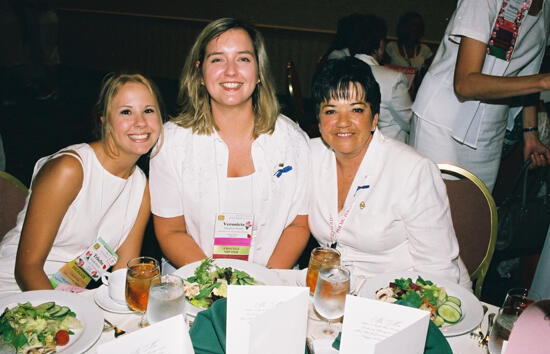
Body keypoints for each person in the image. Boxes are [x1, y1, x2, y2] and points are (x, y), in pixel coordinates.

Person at [149, 18, 310, 271]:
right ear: (200, 72)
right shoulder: (170, 143)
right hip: (195, 281)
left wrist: (263, 284)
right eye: (217, 59)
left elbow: (299, 224)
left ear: (258, 72)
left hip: (272, 280)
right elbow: (171, 231)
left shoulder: (293, 141)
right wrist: (214, 286)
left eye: (243, 59)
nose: (231, 71)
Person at [309, 57, 470, 287]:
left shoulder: (412, 172)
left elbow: (438, 270)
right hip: (340, 289)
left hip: (407, 290)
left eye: (356, 109)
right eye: (331, 111)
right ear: (319, 120)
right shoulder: (311, 156)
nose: (343, 122)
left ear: (374, 119)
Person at [0, 73, 163, 294]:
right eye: (126, 111)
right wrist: (64, 322)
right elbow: (27, 269)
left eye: (148, 110)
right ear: (105, 121)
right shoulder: (70, 169)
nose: (140, 122)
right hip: (16, 291)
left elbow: (123, 274)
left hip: (73, 297)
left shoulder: (140, 188)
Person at [410, 0, 550, 191]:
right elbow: (465, 83)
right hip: (443, 121)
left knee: (476, 214)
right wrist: (543, 82)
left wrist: (530, 133)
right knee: (434, 211)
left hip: (490, 128)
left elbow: (526, 75)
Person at [352, 14, 413, 142]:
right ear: (380, 44)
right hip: (390, 151)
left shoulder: (337, 71)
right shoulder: (392, 79)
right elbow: (411, 123)